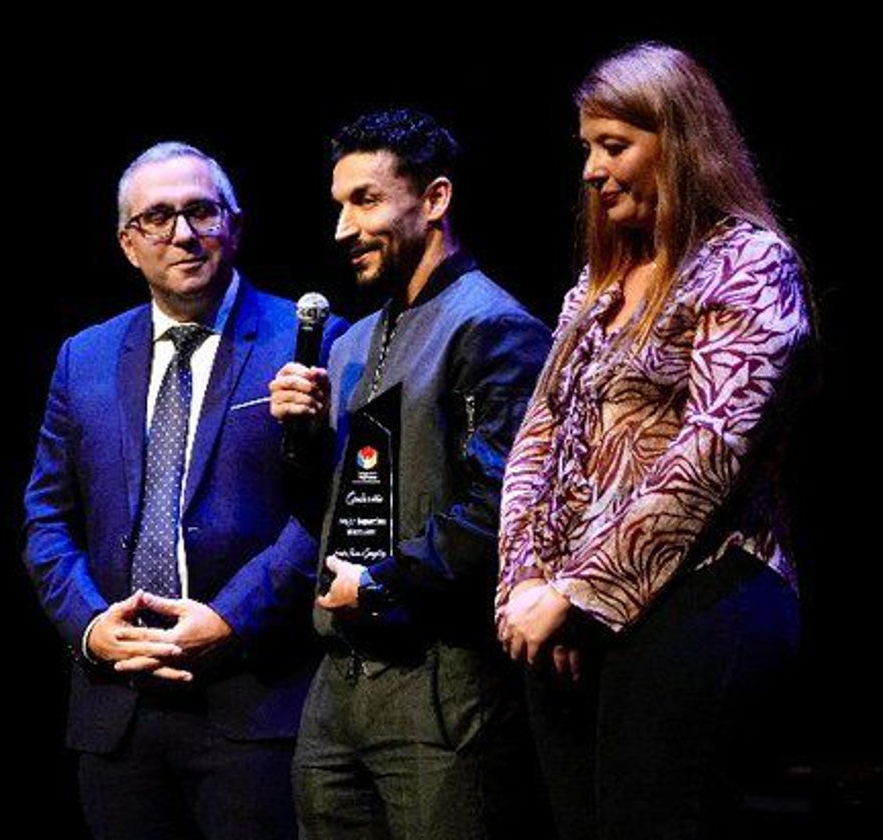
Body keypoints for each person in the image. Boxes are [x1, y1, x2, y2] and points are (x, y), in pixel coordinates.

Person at [495, 43, 816, 838]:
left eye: (615, 146)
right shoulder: (600, 286)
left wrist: (578, 595)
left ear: (677, 143)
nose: (591, 172)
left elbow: (710, 448)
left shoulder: (747, 263)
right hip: (575, 614)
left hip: (706, 593)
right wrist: (529, 586)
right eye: (586, 150)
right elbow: (539, 437)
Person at [23, 141, 345, 840]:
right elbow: (47, 516)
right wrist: (89, 628)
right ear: (127, 242)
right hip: (119, 712)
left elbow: (330, 505)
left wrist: (232, 619)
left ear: (234, 222)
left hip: (255, 705)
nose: (183, 233)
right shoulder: (86, 356)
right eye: (159, 217)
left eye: (201, 211)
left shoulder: (310, 340)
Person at [270, 109, 552, 839]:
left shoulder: (491, 326)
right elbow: (323, 512)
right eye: (338, 205)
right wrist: (300, 438)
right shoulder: (352, 343)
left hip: (440, 680)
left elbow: (505, 507)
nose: (341, 229)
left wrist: (384, 581)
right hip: (340, 681)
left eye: (364, 201)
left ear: (434, 200)